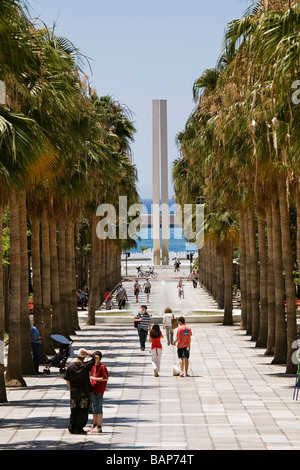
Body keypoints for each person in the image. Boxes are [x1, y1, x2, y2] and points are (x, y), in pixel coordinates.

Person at [64, 348, 95, 435]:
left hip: (74, 392)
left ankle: (72, 427)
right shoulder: (86, 366)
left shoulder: (70, 366)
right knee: (83, 410)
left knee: (73, 409)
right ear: (83, 357)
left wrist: (70, 389)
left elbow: (67, 380)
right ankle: (79, 428)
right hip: (84, 392)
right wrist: (89, 353)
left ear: (77, 355)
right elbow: (96, 356)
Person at [89, 351, 109, 434]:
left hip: (99, 390)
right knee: (94, 409)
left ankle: (99, 426)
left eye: (96, 357)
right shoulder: (93, 366)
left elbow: (105, 378)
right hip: (92, 390)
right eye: (94, 357)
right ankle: (94, 424)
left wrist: (94, 379)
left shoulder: (102, 367)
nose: (95, 359)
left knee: (98, 408)